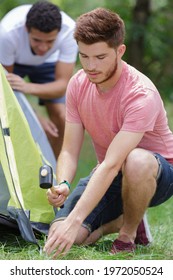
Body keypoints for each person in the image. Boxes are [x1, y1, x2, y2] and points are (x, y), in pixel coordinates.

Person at [43, 7, 173, 257]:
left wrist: (75, 219)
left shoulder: (140, 94)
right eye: (84, 56)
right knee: (62, 237)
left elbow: (113, 164)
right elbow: (69, 149)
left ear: (119, 51)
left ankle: (128, 233)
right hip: (110, 172)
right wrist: (63, 184)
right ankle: (119, 220)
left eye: (100, 57)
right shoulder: (78, 84)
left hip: (156, 173)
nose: (91, 66)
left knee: (135, 159)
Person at [0, 1, 78, 158]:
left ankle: (54, 174)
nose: (43, 47)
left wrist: (27, 87)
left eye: (50, 41)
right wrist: (35, 117)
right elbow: (5, 89)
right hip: (15, 61)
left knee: (62, 118)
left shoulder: (70, 31)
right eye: (37, 40)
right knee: (9, 113)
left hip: (49, 62)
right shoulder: (7, 33)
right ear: (26, 29)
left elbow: (62, 85)